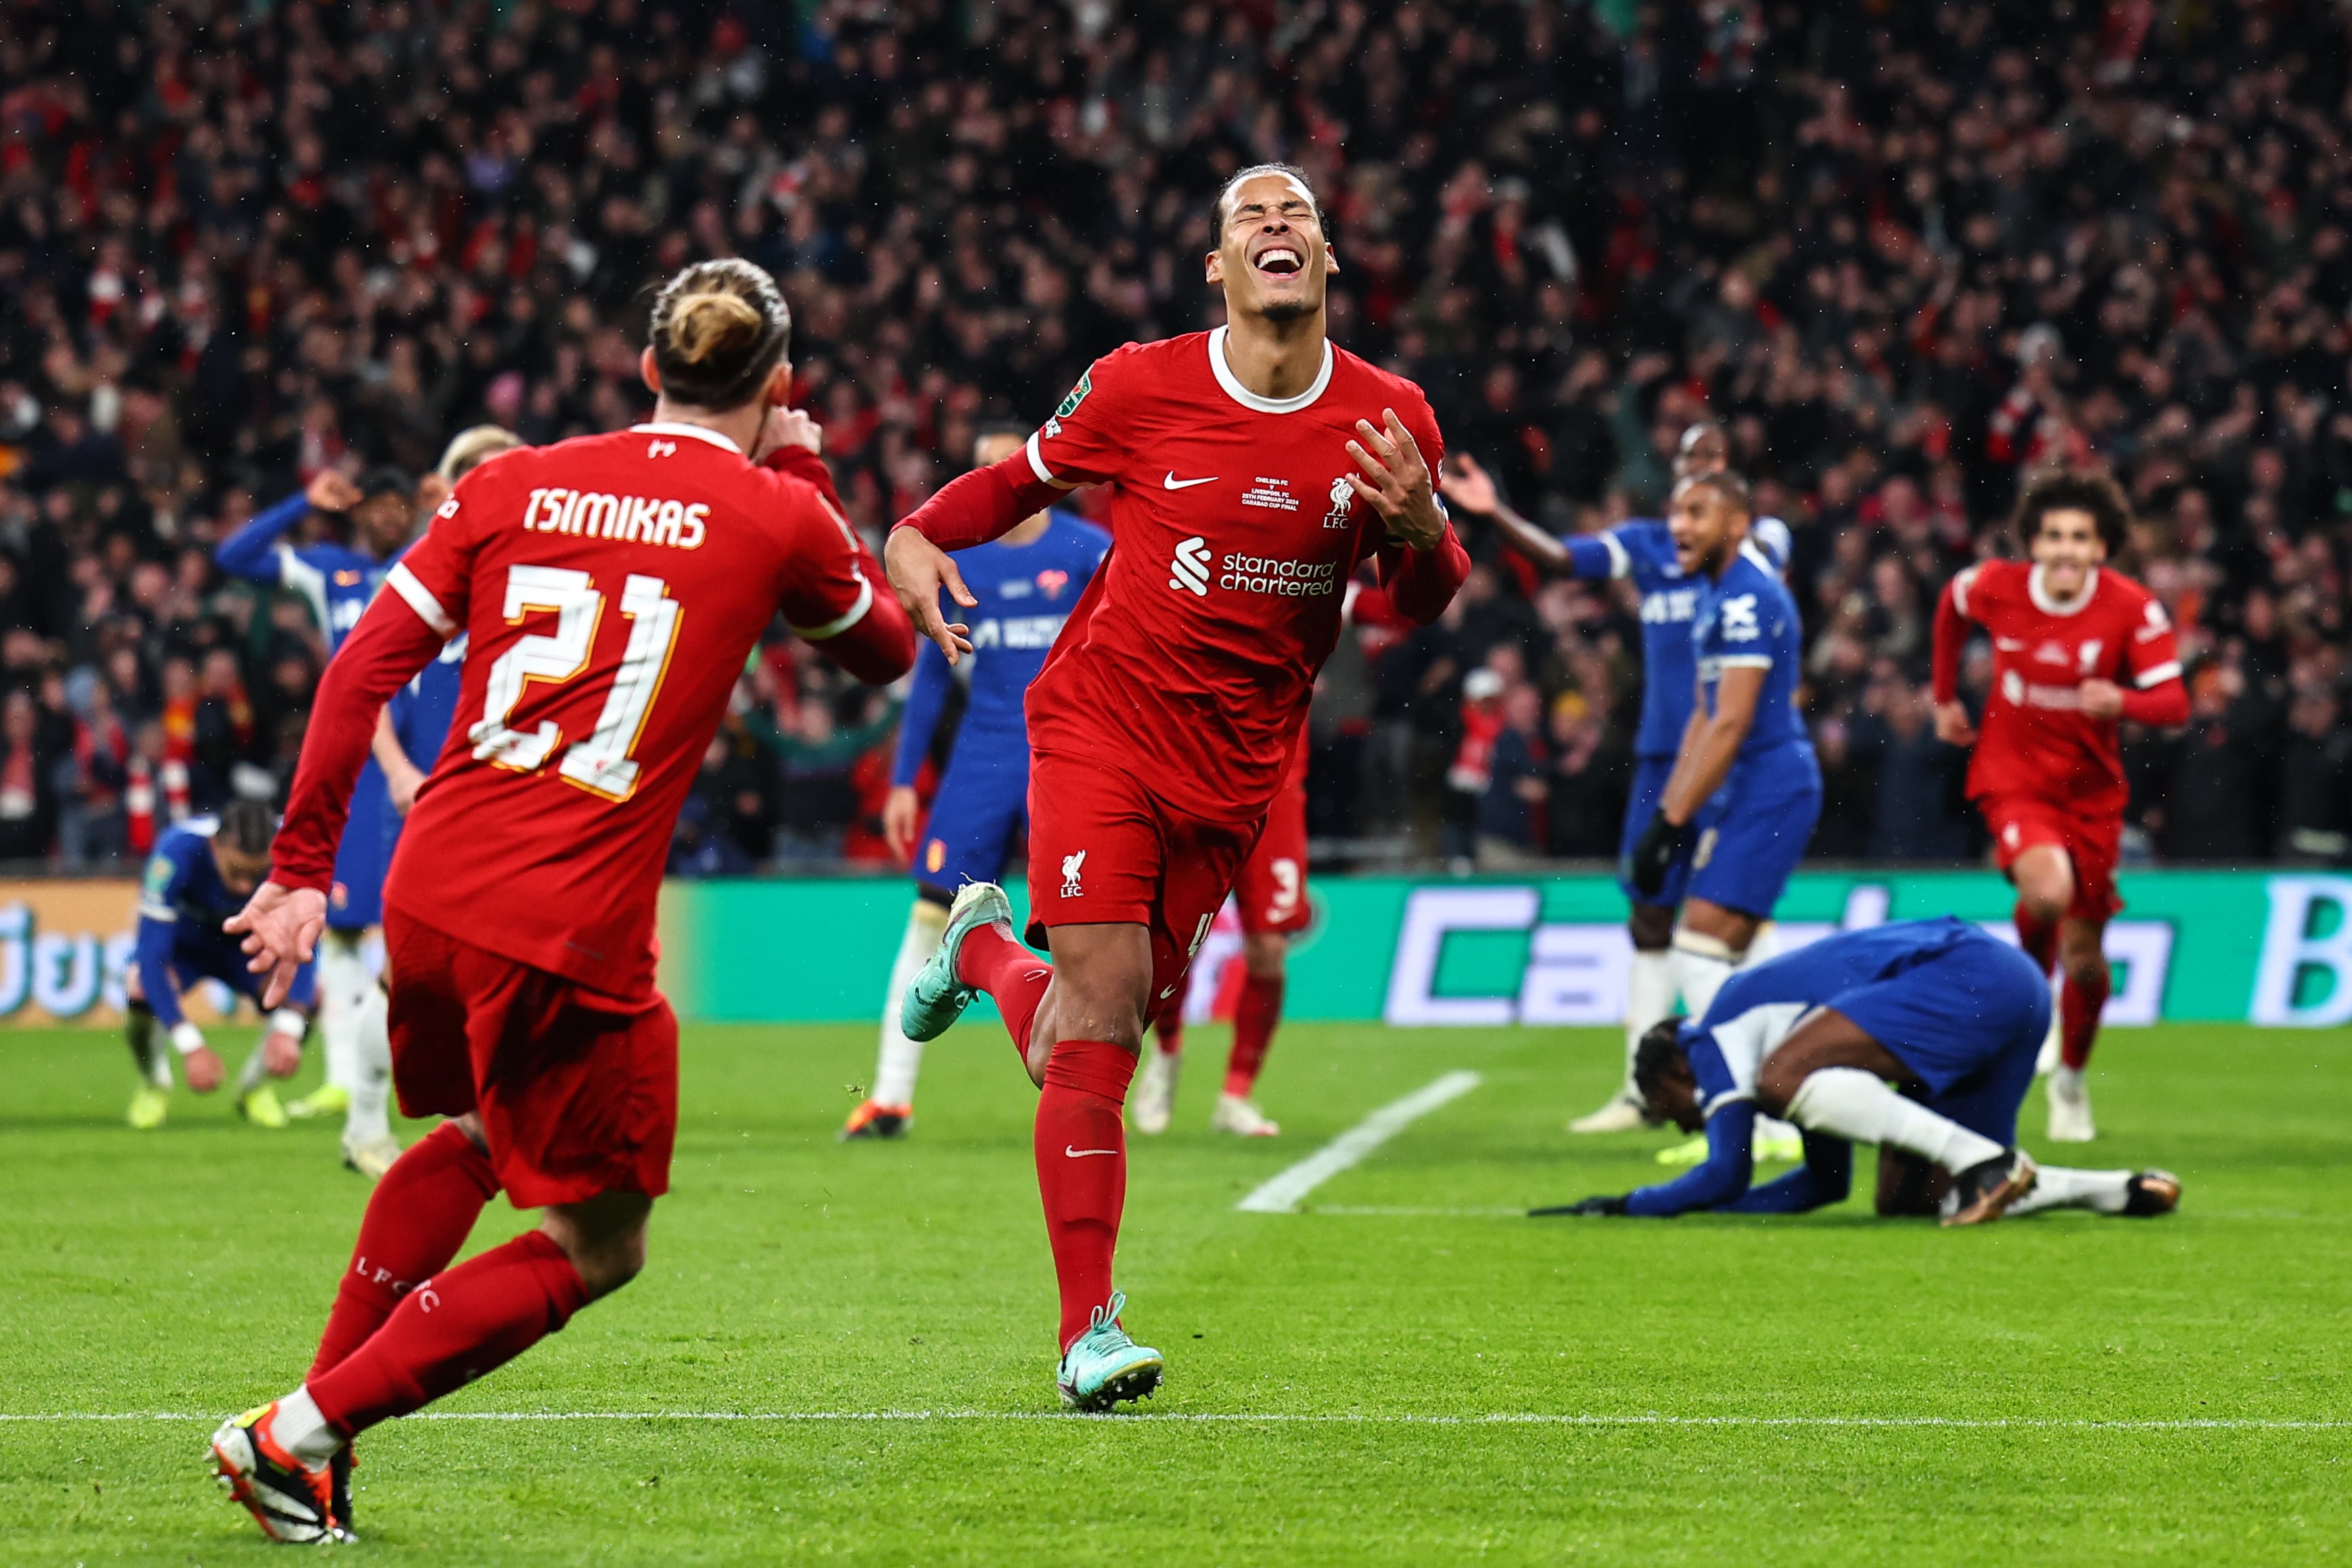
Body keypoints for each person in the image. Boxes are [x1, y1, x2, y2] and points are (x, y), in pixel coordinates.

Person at [210, 258, 913, 1544]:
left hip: (430, 887)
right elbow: (885, 648)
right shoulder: (774, 510)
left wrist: (304, 868)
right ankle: (294, 1432)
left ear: (647, 369)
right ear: (779, 387)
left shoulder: (510, 479)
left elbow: (363, 662)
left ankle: (312, 1440)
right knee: (602, 1240)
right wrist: (806, 472)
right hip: (567, 922)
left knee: (481, 1131)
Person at [883, 164, 1469, 1410]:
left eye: (1295, 212)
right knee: (1100, 1019)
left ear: (1322, 257)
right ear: (1218, 264)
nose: (1274, 224)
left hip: (1238, 773)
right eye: (1250, 215)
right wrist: (917, 531)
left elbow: (1420, 606)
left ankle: (984, 950)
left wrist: (1423, 526)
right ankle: (1086, 1330)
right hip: (1099, 726)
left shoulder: (1390, 418)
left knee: (1077, 1040)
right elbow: (1019, 482)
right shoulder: (1141, 383)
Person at [1439, 429, 1797, 1140]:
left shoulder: (1757, 546)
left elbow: (1763, 563)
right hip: (1666, 754)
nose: (1697, 471)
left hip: (1734, 757)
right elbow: (1564, 557)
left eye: (1712, 462)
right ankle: (1642, 1086)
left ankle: (1775, 1084)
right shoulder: (1647, 543)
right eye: (1688, 460)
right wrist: (1494, 511)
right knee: (1649, 915)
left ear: (1731, 484)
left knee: (1734, 917)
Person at [1530, 919, 2179, 1222]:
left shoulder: (1711, 1032)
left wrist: (1628, 1205)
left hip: (1970, 972)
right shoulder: (1804, 1053)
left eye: (1673, 1109)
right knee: (1909, 1202)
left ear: (1676, 1069)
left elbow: (1725, 1170)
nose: (1682, 1128)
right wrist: (1724, 1212)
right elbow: (1824, 1183)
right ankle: (2112, 1190)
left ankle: (1989, 1164)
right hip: (2015, 991)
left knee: (1779, 1078)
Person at [844, 427, 1108, 1140]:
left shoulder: (1087, 551)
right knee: (931, 913)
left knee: (1092, 924)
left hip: (1073, 752)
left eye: (1007, 466)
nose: (999, 479)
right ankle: (891, 1097)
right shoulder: (963, 562)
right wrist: (904, 780)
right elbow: (933, 674)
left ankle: (1089, 1089)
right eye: (985, 468)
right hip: (986, 759)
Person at [1931, 471, 2187, 1143]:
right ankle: (2028, 998)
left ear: (2101, 547)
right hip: (2013, 774)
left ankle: (2071, 1077)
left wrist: (2123, 702)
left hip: (2090, 794)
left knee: (2087, 959)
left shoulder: (2131, 607)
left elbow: (2175, 702)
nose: (2066, 549)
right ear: (2034, 544)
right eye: (2053, 536)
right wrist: (1943, 695)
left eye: (2080, 537)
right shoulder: (1999, 586)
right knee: (2047, 892)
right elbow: (1950, 607)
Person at [216, 464, 416, 1172]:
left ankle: (378, 1080)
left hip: (417, 759)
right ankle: (343, 1081)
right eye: (381, 504)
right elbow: (231, 558)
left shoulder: (426, 568)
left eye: (404, 505)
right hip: (356, 764)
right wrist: (304, 500)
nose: (392, 517)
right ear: (359, 508)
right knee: (339, 927)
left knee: (406, 926)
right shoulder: (330, 572)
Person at [1621, 470, 1821, 1115]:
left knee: (1699, 952)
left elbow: (1733, 722)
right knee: (1729, 951)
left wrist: (1674, 821)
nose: (1679, 525)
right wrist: (1665, 818)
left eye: (1697, 513)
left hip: (1771, 787)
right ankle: (1777, 1093)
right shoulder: (1716, 598)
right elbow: (1703, 721)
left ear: (1736, 524)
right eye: (1675, 512)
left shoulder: (1744, 600)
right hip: (1747, 791)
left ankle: (1767, 1105)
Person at [1132, 722, 1312, 1139]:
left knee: (1269, 946)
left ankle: (1236, 1096)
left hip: (1277, 780)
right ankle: (1168, 1050)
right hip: (1205, 769)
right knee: (1182, 932)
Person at [122, 800, 315, 1130]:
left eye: (255, 875)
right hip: (186, 949)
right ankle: (154, 1083)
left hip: (247, 952)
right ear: (215, 846)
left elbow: (306, 946)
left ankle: (255, 1089)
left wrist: (289, 1028)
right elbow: (151, 955)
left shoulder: (295, 851)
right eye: (237, 872)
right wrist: (190, 1045)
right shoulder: (175, 851)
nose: (244, 887)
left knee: (311, 999)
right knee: (139, 986)